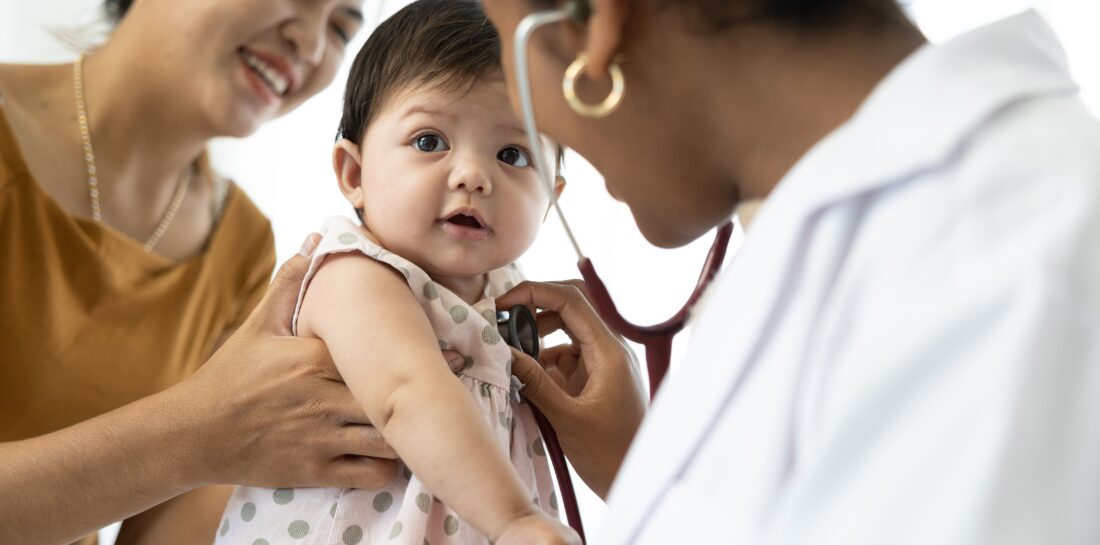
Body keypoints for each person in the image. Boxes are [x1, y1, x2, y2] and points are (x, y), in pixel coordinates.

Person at [477, 0, 1100, 543]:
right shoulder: (859, 230)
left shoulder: (1007, 264)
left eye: (500, 29)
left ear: (597, 23)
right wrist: (636, 471)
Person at [0, 1, 449, 543]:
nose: (309, 45)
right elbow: (206, 440)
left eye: (339, 28)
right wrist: (197, 437)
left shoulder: (241, 245)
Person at [215, 2, 577, 544]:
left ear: (552, 198)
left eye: (513, 153)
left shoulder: (508, 291)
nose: (474, 175)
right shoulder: (355, 274)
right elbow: (407, 392)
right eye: (430, 141)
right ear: (355, 173)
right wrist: (517, 521)